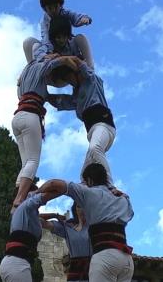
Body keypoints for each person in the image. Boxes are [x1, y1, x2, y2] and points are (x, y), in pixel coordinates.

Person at [13, 55, 78, 207]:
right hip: (31, 116)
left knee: (25, 163)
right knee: (33, 161)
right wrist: (70, 60)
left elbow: (48, 97)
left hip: (17, 118)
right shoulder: (40, 65)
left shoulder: (25, 76)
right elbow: (57, 63)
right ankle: (20, 198)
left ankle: (18, 193)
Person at [47, 58, 115, 187]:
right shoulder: (77, 96)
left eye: (69, 77)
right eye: (66, 80)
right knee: (84, 174)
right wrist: (45, 95)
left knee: (95, 148)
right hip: (92, 131)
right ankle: (85, 197)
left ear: (76, 73)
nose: (69, 81)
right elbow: (62, 101)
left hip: (104, 125)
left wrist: (68, 59)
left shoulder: (91, 80)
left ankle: (111, 186)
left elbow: (84, 68)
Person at [23, 0, 93, 67]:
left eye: (56, 7)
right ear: (44, 9)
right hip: (52, 50)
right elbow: (46, 39)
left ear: (61, 5)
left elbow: (75, 18)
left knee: (81, 37)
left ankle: (90, 67)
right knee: (29, 43)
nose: (53, 11)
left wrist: (84, 19)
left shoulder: (65, 13)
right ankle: (33, 69)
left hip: (67, 47)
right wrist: (46, 55)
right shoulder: (44, 21)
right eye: (50, 8)